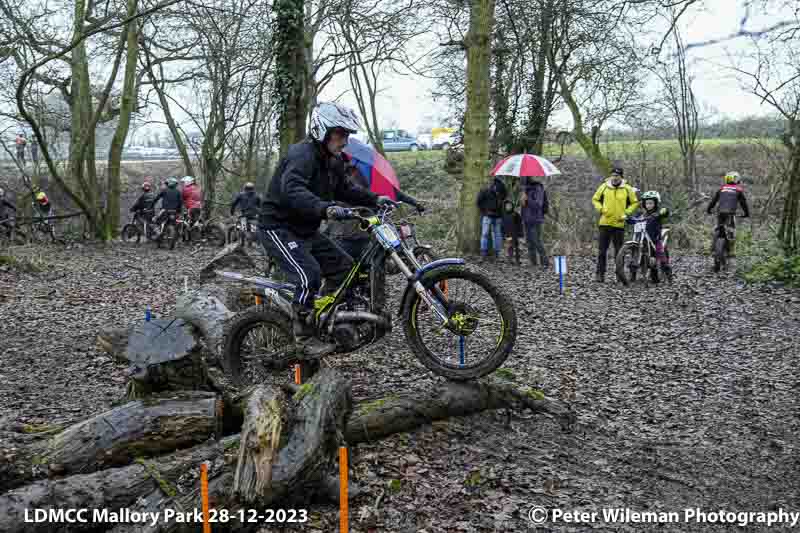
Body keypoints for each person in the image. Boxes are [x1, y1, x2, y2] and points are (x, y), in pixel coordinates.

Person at [259, 101, 392, 360]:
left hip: (305, 230)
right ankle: (304, 337)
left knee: (345, 268)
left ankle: (323, 317)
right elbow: (293, 190)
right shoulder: (302, 155)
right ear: (323, 129)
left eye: (348, 135)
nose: (345, 141)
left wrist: (374, 199)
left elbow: (345, 189)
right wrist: (325, 209)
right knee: (309, 276)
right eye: (341, 134)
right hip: (279, 227)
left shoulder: (333, 160)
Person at [326, 154, 425, 261]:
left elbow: (393, 193)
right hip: (347, 233)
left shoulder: (362, 176)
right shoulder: (336, 180)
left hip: (363, 230)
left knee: (375, 262)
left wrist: (415, 203)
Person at [591, 166, 639, 282]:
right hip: (605, 223)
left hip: (619, 224)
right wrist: (601, 209)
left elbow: (635, 202)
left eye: (617, 176)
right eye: (613, 175)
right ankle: (600, 274)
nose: (614, 177)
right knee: (602, 251)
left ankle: (619, 274)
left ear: (621, 177)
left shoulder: (627, 189)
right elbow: (595, 199)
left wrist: (626, 213)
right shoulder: (604, 187)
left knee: (619, 252)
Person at [628, 190, 672, 281]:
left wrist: (663, 211)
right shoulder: (641, 214)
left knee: (660, 252)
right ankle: (632, 273)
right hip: (642, 238)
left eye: (651, 203)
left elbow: (666, 212)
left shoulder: (657, 213)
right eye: (647, 203)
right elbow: (634, 219)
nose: (649, 205)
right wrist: (629, 219)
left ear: (655, 203)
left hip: (655, 238)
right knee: (634, 252)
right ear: (644, 204)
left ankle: (667, 269)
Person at [706, 171, 750, 257]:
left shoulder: (721, 188)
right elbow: (743, 203)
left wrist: (709, 209)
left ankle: (712, 248)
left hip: (720, 212)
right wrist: (746, 213)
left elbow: (714, 201)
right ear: (737, 180)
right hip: (730, 213)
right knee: (731, 230)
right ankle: (731, 251)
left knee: (718, 228)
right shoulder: (738, 189)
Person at [521, 177, 549, 269]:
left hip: (535, 219)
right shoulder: (526, 189)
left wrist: (527, 199)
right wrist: (523, 202)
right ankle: (533, 263)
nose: (523, 180)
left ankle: (545, 262)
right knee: (529, 242)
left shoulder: (538, 188)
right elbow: (525, 206)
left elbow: (538, 204)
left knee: (537, 241)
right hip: (527, 219)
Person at [476, 176, 507, 258]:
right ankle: (486, 252)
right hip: (490, 215)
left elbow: (479, 202)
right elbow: (479, 202)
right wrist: (485, 211)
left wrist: (484, 211)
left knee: (492, 234)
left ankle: (492, 252)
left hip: (495, 216)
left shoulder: (501, 189)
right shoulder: (487, 190)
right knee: (490, 234)